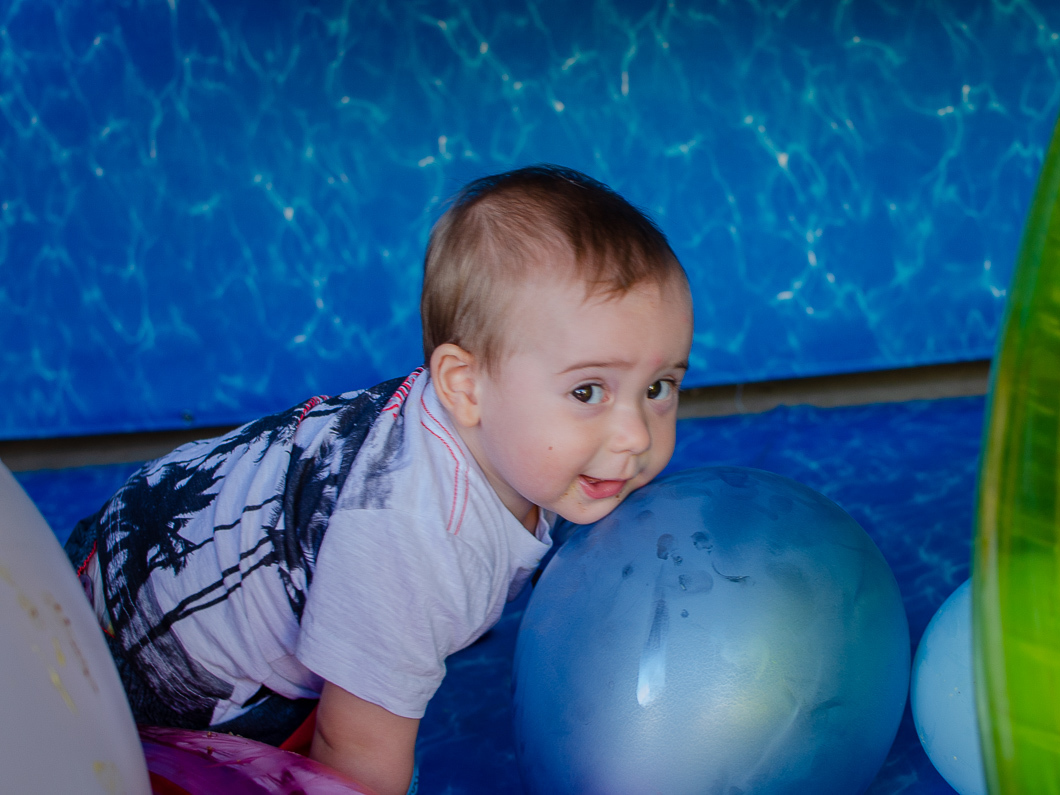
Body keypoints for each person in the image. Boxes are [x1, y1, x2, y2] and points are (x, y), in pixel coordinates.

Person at [66, 164, 694, 795]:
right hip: (129, 656)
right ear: (465, 386)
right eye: (588, 391)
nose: (635, 436)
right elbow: (355, 749)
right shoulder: (413, 542)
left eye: (658, 387)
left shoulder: (522, 443)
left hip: (136, 538)